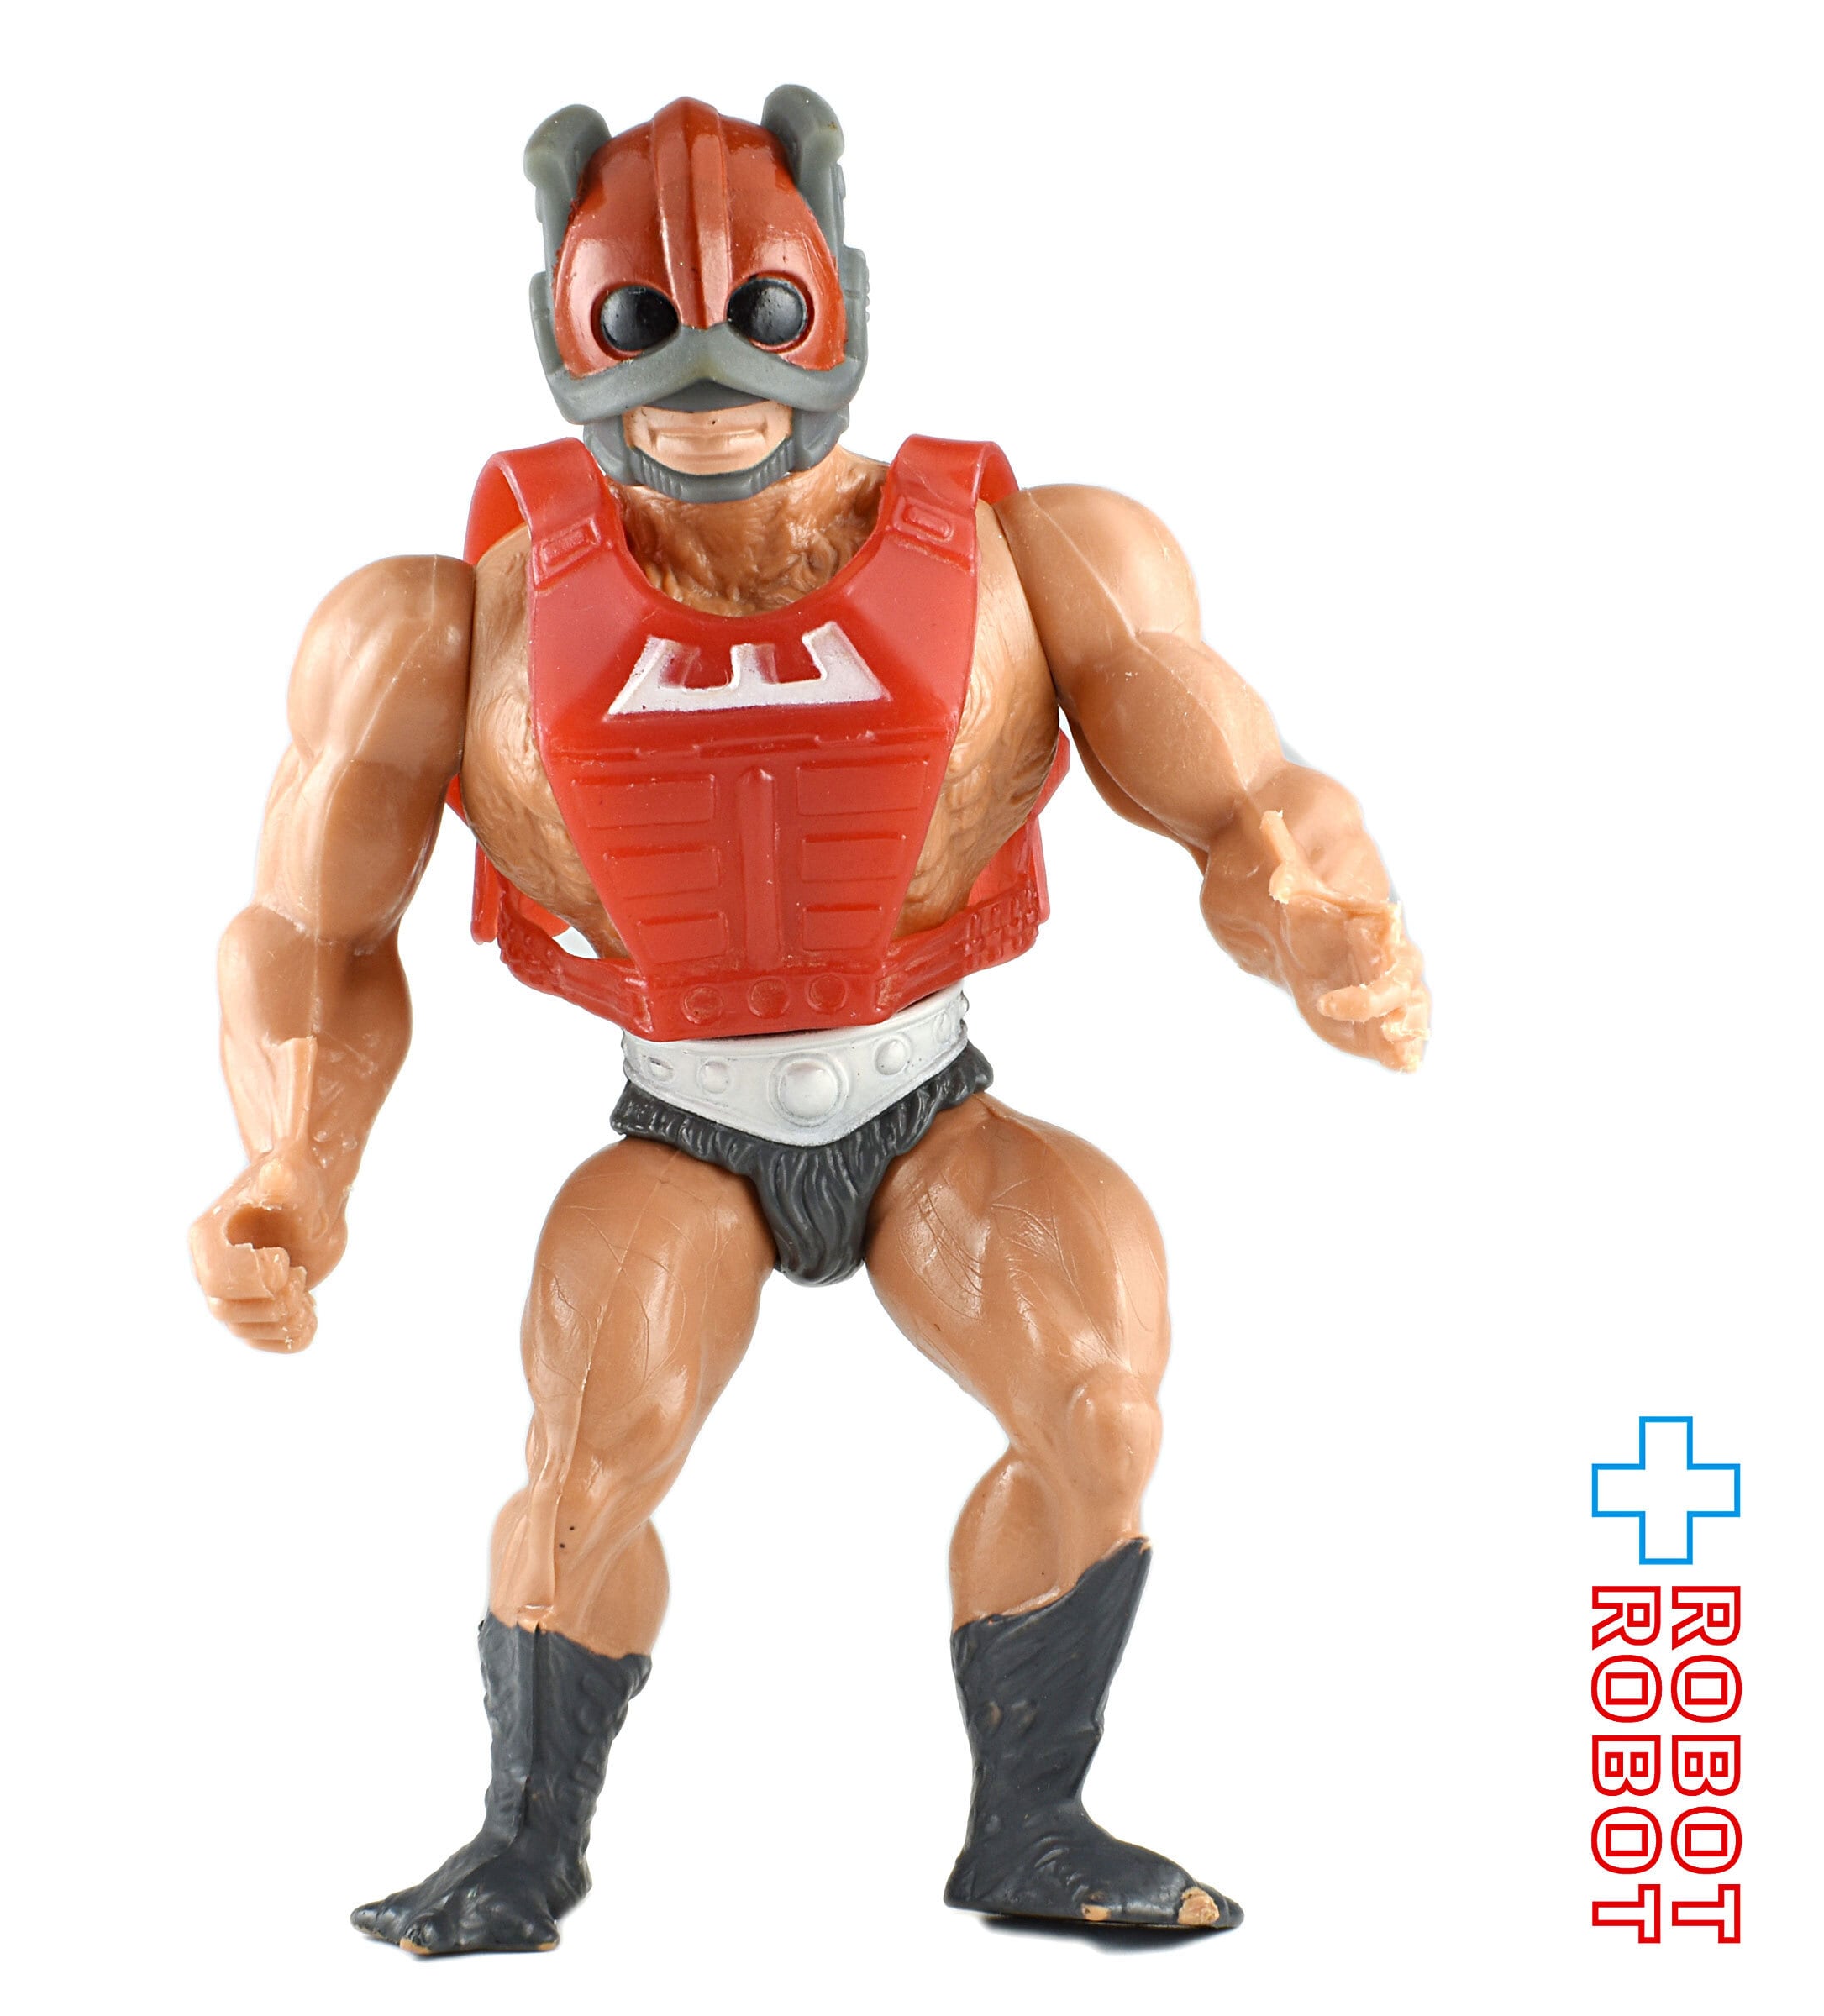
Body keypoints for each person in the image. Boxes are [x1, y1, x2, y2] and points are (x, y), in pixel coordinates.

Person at [190, 86, 1428, 1956]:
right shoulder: (437, 623)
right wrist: (290, 1157)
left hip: (931, 1104)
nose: (707, 382)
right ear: (565, 340)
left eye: (759, 322)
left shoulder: (1035, 555)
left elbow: (1246, 798)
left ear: (838, 305)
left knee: (1099, 1410)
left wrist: (1327, 924)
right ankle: (520, 1849)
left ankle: (1033, 1827)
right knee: (582, 1477)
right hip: (682, 1124)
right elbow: (312, 928)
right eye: (642, 331)